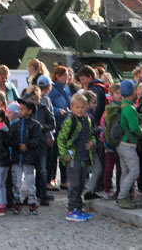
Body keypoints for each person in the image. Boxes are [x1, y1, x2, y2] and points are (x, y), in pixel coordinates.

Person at [57, 92, 95, 222]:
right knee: (74, 183)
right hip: (74, 157)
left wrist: (92, 143)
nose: (80, 110)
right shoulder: (70, 121)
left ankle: (78, 207)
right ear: (72, 107)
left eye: (82, 107)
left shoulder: (87, 119)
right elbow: (61, 139)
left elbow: (91, 134)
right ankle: (71, 209)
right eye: (77, 107)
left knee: (81, 183)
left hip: (84, 156)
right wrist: (64, 154)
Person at [8, 97, 42, 214]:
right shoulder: (14, 125)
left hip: (29, 158)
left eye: (22, 109)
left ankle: (32, 202)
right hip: (17, 158)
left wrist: (27, 145)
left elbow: (37, 140)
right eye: (20, 109)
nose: (20, 111)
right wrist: (17, 146)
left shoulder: (36, 125)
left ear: (30, 111)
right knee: (16, 182)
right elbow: (10, 139)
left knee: (30, 182)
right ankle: (17, 202)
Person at [116, 80, 142, 209]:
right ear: (133, 92)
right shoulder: (130, 109)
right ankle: (122, 197)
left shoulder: (122, 105)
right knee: (134, 171)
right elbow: (134, 129)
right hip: (128, 145)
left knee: (125, 171)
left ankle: (123, 196)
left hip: (120, 144)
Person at [29, 80, 56, 205]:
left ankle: (43, 193)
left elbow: (52, 124)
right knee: (29, 169)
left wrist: (42, 128)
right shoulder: (27, 110)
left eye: (37, 99)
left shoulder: (43, 109)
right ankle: (32, 193)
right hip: (29, 143)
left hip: (41, 142)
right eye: (33, 99)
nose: (35, 102)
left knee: (42, 169)